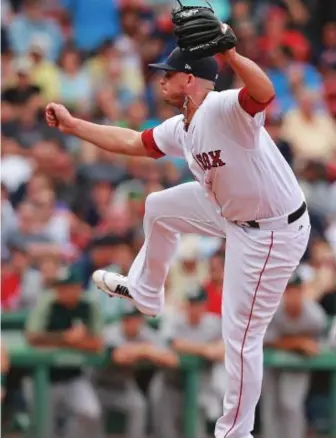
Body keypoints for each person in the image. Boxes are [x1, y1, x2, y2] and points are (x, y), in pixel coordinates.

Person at [46, 39, 311, 438]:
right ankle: (146, 291)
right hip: (233, 214)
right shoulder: (181, 126)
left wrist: (233, 54)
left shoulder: (222, 107)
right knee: (158, 207)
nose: (161, 80)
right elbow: (132, 142)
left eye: (167, 74)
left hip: (272, 230)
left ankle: (235, 434)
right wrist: (72, 125)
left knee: (239, 337)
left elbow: (264, 93)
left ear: (190, 79)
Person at [25, 264, 103, 438]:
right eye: (60, 287)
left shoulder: (88, 304)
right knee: (44, 429)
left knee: (90, 413)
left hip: (73, 378)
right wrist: (64, 337)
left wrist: (75, 342)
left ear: (77, 288)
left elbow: (98, 344)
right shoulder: (48, 302)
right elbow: (32, 337)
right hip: (43, 380)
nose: (63, 291)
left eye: (68, 287)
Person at [92, 302, 177, 438]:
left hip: (124, 387)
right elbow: (118, 357)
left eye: (135, 319)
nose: (132, 323)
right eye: (128, 319)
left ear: (141, 320)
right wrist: (144, 350)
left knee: (139, 406)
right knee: (91, 411)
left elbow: (171, 359)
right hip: (98, 386)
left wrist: (146, 351)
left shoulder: (146, 333)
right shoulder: (111, 332)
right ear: (122, 320)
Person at [150, 287, 224, 438]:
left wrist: (189, 348)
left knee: (196, 432)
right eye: (191, 303)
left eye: (198, 304)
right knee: (166, 433)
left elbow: (221, 351)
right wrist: (204, 349)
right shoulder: (174, 320)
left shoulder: (214, 323)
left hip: (199, 386)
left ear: (205, 305)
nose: (194, 308)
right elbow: (172, 345)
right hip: (169, 384)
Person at [261, 270, 327, 438]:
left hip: (298, 363)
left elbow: (317, 347)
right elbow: (264, 340)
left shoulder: (315, 315)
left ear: (302, 291)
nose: (292, 294)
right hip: (271, 363)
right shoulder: (273, 311)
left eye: (296, 290)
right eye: (288, 290)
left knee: (290, 404)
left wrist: (290, 343)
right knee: (270, 407)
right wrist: (297, 343)